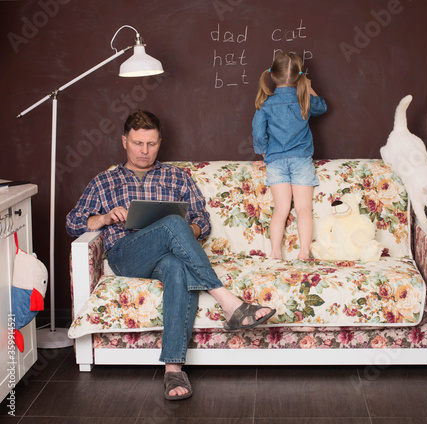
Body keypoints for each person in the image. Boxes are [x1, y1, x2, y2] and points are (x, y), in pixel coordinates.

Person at [66, 110, 276, 400]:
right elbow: (73, 222)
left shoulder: (176, 176)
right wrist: (103, 218)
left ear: (160, 142)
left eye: (151, 144)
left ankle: (173, 370)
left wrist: (183, 229)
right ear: (124, 141)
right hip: (127, 255)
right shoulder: (104, 181)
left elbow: (202, 220)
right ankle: (228, 301)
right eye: (138, 143)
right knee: (173, 224)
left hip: (166, 256)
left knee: (177, 263)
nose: (144, 151)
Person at [252, 52, 327, 260]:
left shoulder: (266, 103)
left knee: (281, 209)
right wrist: (309, 86)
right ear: (299, 76)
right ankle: (304, 252)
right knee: (304, 208)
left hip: (275, 161)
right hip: (301, 159)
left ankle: (275, 252)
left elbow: (258, 131)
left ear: (273, 75)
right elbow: (322, 107)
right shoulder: (303, 99)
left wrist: (264, 150)